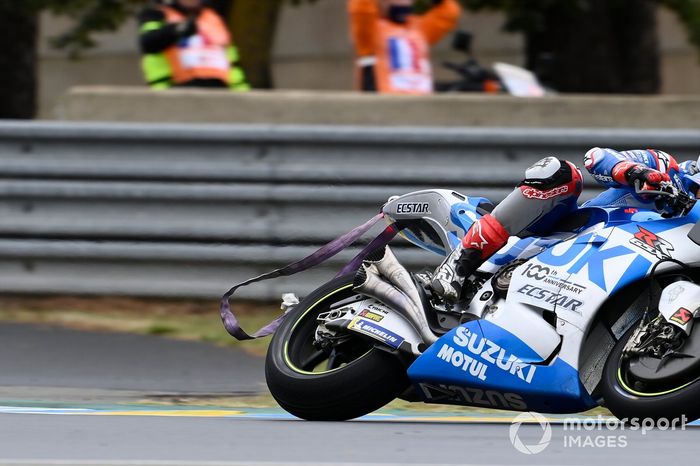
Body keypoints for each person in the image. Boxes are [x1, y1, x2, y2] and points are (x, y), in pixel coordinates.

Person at [430, 148, 700, 302]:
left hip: (627, 279)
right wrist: (635, 173)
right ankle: (457, 266)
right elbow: (597, 157)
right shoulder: (667, 168)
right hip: (575, 235)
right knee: (560, 172)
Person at [348, 0, 461, 94]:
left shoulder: (419, 28)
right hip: (385, 105)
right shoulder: (370, 31)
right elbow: (361, 8)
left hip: (422, 105)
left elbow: (448, 13)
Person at [138, 0, 249, 90]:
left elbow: (232, 62)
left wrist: (243, 95)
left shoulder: (214, 18)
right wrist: (178, 30)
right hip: (175, 91)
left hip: (219, 91)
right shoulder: (157, 14)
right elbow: (149, 42)